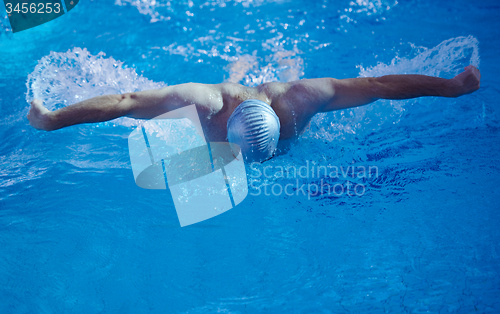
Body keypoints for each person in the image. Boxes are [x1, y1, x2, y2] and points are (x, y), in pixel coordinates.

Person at [28, 65, 481, 162]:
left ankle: (278, 60)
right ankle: (240, 67)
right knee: (235, 76)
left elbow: (378, 87)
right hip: (230, 91)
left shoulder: (299, 101)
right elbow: (125, 102)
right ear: (221, 128)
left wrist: (454, 89)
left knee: (288, 76)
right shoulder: (204, 103)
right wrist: (53, 119)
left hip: (281, 92)